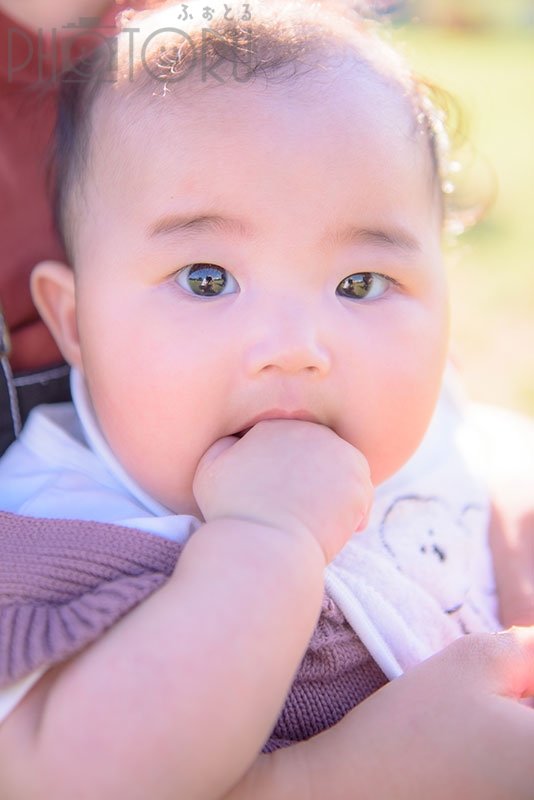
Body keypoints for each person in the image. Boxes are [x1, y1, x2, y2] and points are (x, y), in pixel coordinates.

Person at [0, 1, 533, 798]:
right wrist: (267, 539)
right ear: (75, 323)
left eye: (362, 284)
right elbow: (63, 779)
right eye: (206, 279)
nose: (298, 346)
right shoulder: (61, 522)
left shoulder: (430, 436)